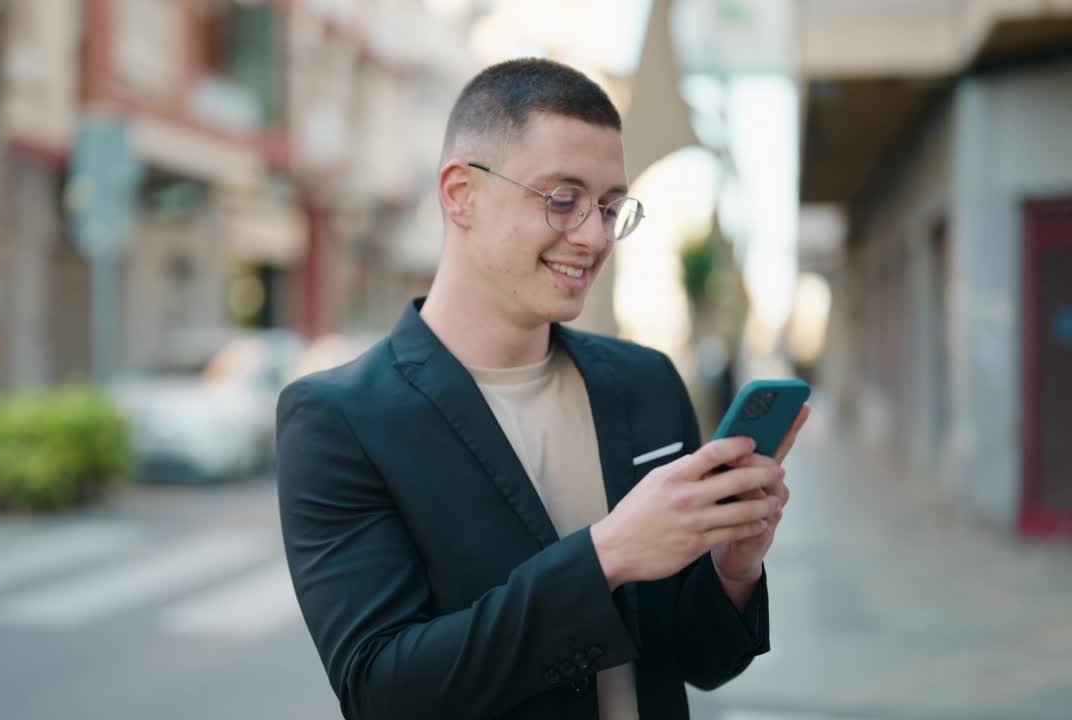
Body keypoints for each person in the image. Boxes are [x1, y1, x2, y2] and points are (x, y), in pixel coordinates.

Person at [276, 58, 809, 720]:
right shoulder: (338, 419)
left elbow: (698, 663)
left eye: (612, 206)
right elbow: (382, 690)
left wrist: (733, 566)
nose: (592, 235)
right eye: (563, 199)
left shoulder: (646, 384)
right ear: (460, 193)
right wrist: (607, 555)